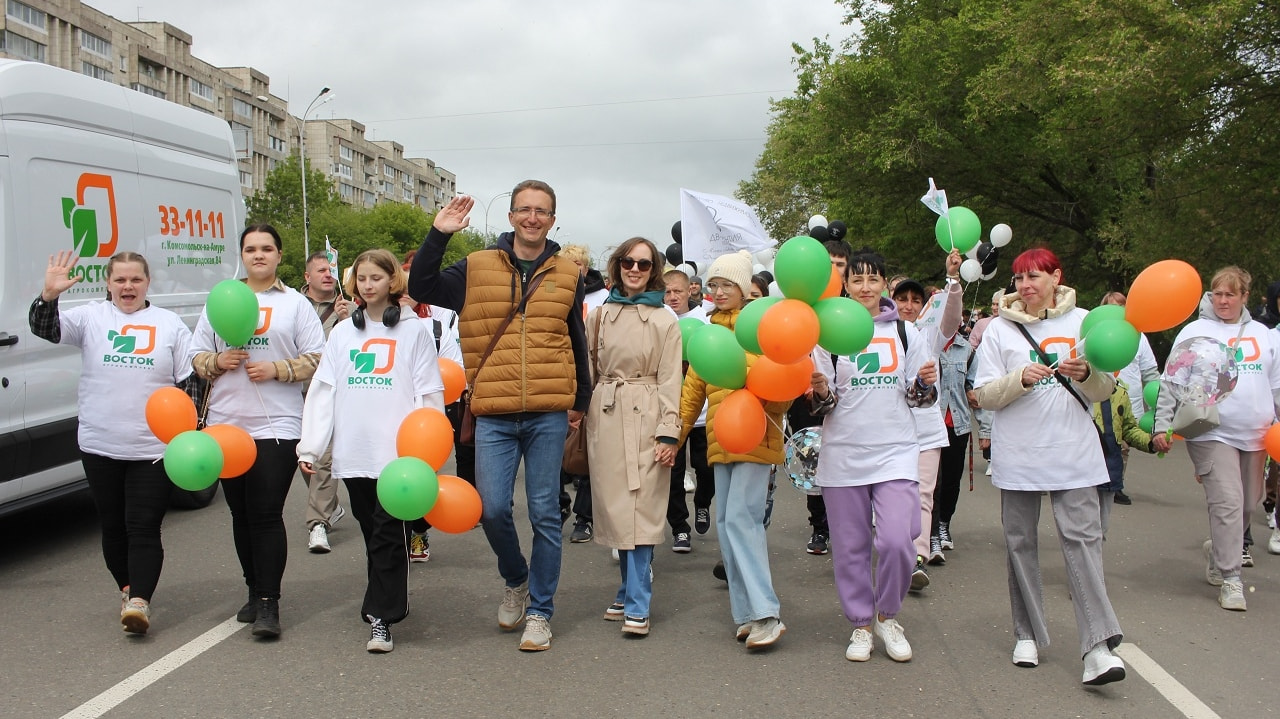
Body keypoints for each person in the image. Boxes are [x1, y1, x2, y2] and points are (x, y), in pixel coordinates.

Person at [407, 181, 591, 652]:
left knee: (546, 513)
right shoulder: (475, 267)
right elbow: (421, 286)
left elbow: (575, 339)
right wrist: (439, 234)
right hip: (493, 411)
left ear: (553, 219)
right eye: (524, 210)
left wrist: (580, 401)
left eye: (542, 211)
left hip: (549, 412)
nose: (533, 218)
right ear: (511, 217)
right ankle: (516, 577)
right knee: (491, 508)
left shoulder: (568, 272)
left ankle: (541, 612)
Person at [973, 247, 1126, 686]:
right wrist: (1018, 380)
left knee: (1083, 544)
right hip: (1019, 456)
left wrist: (1086, 375)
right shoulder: (1000, 330)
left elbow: (1104, 389)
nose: (1026, 286)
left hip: (1074, 454)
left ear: (1056, 278)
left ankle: (1097, 647)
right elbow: (982, 394)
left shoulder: (1083, 323)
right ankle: (1026, 634)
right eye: (1020, 279)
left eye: (1035, 277)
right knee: (1020, 542)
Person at [29, 251, 192, 635]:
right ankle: (127, 587)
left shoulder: (169, 324)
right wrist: (48, 296)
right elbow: (44, 328)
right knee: (113, 525)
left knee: (144, 525)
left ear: (147, 283)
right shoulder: (90, 317)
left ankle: (140, 602)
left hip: (152, 449)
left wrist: (190, 431)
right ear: (108, 283)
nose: (127, 287)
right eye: (120, 280)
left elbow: (189, 382)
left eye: (135, 279)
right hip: (99, 444)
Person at [299, 249, 444, 653]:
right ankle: (388, 598)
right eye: (361, 278)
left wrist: (427, 451)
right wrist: (311, 445)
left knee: (386, 533)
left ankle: (381, 616)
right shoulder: (343, 334)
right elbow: (323, 391)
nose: (367, 285)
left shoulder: (415, 331)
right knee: (371, 531)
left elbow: (429, 392)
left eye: (375, 278)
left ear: (392, 281)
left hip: (398, 456)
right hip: (353, 452)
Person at [191, 223, 326, 639]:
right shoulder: (222, 299)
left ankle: (269, 602)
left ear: (279, 256)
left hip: (278, 426)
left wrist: (277, 369)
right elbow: (195, 356)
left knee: (266, 514)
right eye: (251, 249)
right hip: (225, 425)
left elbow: (320, 358)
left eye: (267, 249)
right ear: (242, 255)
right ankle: (252, 590)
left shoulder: (295, 305)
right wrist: (217, 361)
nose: (259, 255)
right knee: (241, 514)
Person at [809, 248, 938, 663]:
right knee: (851, 546)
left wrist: (923, 383)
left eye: (873, 279)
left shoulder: (905, 333)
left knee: (899, 540)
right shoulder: (826, 334)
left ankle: (888, 615)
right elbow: (822, 406)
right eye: (857, 280)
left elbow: (920, 398)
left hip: (895, 452)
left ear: (886, 284)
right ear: (845, 285)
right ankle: (861, 625)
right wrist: (821, 391)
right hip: (843, 454)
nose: (865, 287)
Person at [679, 250, 791, 650]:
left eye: (727, 284)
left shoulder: (760, 327)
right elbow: (692, 390)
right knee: (727, 525)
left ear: (744, 289)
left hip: (757, 437)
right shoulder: (708, 331)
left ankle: (767, 613)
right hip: (719, 440)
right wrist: (672, 439)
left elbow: (781, 384)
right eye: (714, 284)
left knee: (743, 522)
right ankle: (745, 614)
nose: (719, 291)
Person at [1153, 266, 1280, 611]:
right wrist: (1161, 426)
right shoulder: (1195, 331)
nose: (1223, 301)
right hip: (1212, 430)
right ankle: (1231, 578)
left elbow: (1276, 386)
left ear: (1245, 297)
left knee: (1247, 504)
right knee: (1227, 501)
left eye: (1230, 294)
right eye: (1217, 294)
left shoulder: (1264, 335)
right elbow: (1171, 380)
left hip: (1256, 435)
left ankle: (1218, 551)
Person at [586, 238, 682, 636]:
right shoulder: (599, 313)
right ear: (617, 265)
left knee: (642, 506)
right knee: (615, 506)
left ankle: (638, 602)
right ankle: (627, 589)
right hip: (606, 413)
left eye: (644, 264)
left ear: (654, 268)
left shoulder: (665, 320)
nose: (635, 269)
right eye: (628, 261)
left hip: (648, 415)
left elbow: (671, 378)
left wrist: (669, 432)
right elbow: (589, 363)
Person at [890, 251, 962, 589]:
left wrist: (954, 281)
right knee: (892, 495)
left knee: (923, 494)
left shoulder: (929, 333)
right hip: (889, 429)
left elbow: (950, 318)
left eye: (914, 299)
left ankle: (917, 558)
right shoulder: (880, 332)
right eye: (901, 298)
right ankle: (893, 549)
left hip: (925, 427)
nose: (907, 305)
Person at [298, 251, 353, 553]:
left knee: (323, 459)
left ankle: (318, 524)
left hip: (332, 396)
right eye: (320, 270)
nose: (327, 275)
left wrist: (348, 320)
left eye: (331, 269)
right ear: (307, 277)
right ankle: (329, 505)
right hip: (295, 393)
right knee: (304, 460)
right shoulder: (294, 306)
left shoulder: (351, 308)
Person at [559, 244, 609, 544]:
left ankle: (584, 517)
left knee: (588, 451)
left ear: (585, 267)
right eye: (567, 264)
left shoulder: (601, 300)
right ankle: (559, 505)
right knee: (551, 453)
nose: (573, 269)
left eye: (577, 263)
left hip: (591, 381)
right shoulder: (550, 292)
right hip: (554, 381)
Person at [663, 269, 713, 551]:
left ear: (689, 292)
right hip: (672, 412)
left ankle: (703, 503)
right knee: (673, 472)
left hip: (703, 411)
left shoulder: (703, 321)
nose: (672, 297)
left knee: (707, 470)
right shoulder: (659, 320)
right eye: (667, 292)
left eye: (677, 292)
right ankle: (680, 527)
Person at [1098, 291, 1159, 506]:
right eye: (1112, 307)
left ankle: (1116, 483)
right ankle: (1097, 481)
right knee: (1101, 443)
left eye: (1121, 307)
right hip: (1102, 399)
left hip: (1129, 403)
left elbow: (1150, 372)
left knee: (1123, 446)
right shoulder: (1095, 333)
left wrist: (1156, 400)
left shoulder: (1138, 336)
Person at [1092, 381, 1154, 537]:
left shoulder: (1120, 392)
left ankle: (1094, 558)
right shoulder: (1074, 388)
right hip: (1082, 470)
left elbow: (1128, 428)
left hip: (1110, 469)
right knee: (1083, 530)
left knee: (1100, 529)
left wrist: (1151, 442)